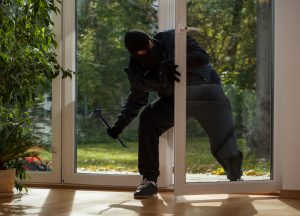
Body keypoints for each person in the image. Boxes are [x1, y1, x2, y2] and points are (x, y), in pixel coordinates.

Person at [107, 29, 243, 199]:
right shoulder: (137, 67)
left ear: (151, 40)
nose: (147, 51)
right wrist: (119, 125)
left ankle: (235, 174)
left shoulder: (172, 38)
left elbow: (202, 57)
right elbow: (137, 98)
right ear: (135, 54)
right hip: (175, 100)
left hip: (206, 94)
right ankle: (149, 180)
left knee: (225, 146)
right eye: (141, 52)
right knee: (148, 118)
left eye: (149, 45)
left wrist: (174, 63)